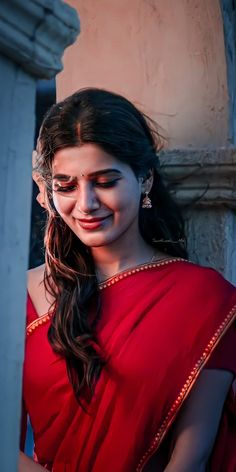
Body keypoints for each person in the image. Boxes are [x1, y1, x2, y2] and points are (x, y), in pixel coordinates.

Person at [19, 88, 236, 471]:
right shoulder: (18, 295)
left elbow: (192, 458)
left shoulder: (203, 298)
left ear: (145, 180)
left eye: (104, 181)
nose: (85, 204)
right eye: (66, 186)